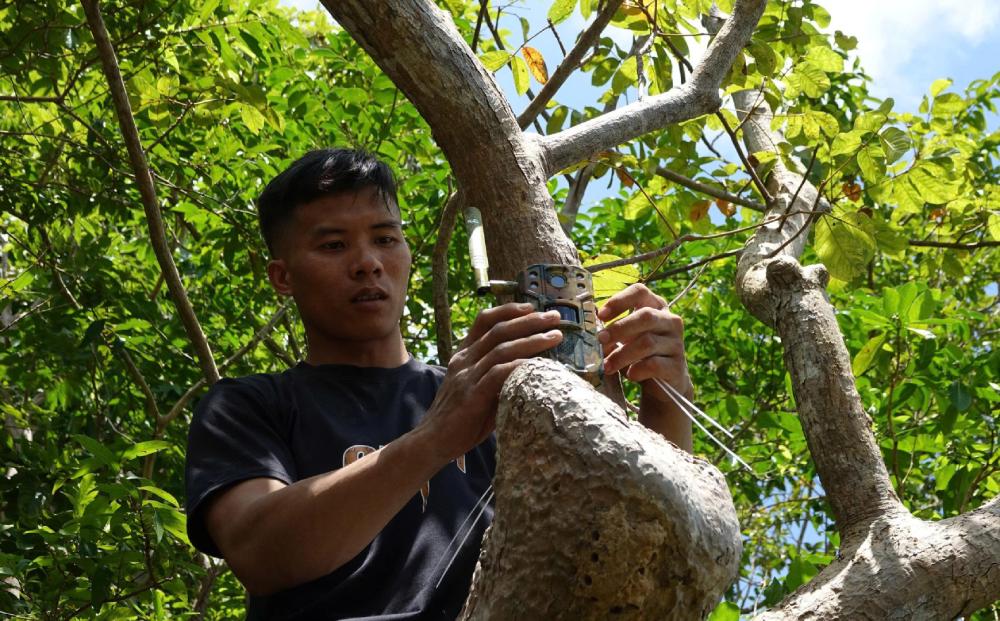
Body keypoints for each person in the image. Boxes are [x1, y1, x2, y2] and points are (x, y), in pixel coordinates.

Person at [184, 149, 694, 620]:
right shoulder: (247, 405)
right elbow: (260, 552)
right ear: (282, 276)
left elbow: (635, 536)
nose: (368, 263)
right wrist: (435, 438)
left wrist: (665, 397)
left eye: (386, 238)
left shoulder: (498, 396)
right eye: (334, 245)